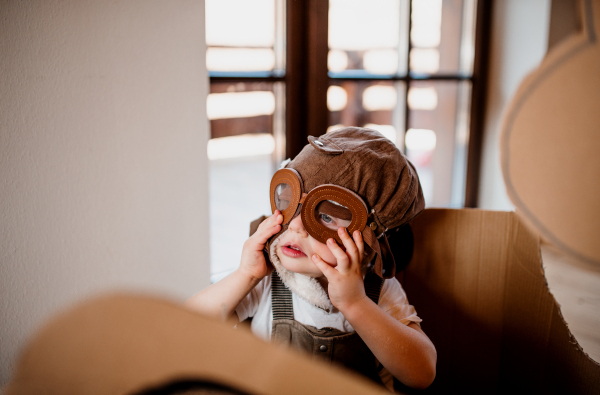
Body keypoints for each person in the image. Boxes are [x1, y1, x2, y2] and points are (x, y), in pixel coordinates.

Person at [186, 127, 437, 392]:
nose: (295, 226)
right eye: (289, 203)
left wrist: (356, 304)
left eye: (325, 217)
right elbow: (187, 328)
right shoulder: (267, 280)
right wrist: (245, 275)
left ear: (368, 242)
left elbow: (421, 374)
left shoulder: (376, 291)